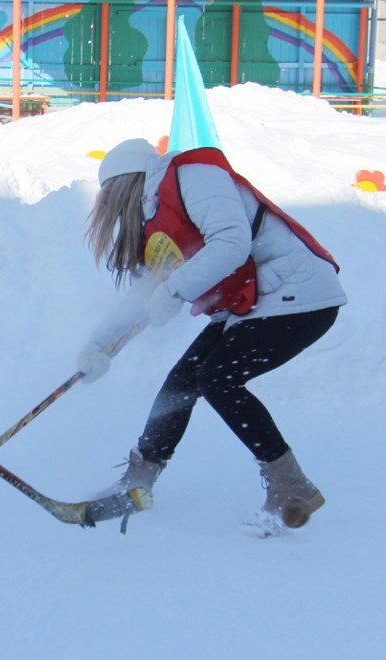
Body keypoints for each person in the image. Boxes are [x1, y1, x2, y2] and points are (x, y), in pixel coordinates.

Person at [76, 139, 346, 532]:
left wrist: (174, 290)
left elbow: (231, 243)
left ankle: (292, 487)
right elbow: (144, 292)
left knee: (217, 379)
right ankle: (137, 483)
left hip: (300, 296)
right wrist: (100, 345)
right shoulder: (156, 215)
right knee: (180, 384)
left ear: (124, 185)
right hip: (257, 303)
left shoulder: (193, 177)